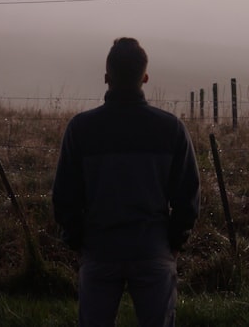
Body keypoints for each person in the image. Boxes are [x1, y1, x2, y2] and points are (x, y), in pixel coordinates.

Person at [52, 37, 201, 327]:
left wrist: (77, 241)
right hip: (152, 250)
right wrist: (173, 242)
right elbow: (188, 197)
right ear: (145, 78)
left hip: (99, 251)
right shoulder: (171, 129)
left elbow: (64, 196)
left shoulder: (81, 129)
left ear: (106, 77)